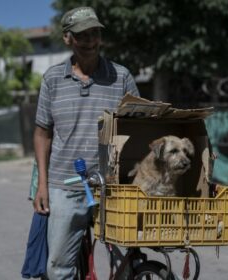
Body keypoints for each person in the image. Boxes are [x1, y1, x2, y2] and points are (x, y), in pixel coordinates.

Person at [32, 6, 140, 279]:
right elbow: (42, 133)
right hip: (64, 185)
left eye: (94, 34)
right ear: (68, 38)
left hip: (112, 186)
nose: (90, 41)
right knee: (58, 268)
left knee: (127, 260)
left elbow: (140, 126)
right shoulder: (53, 79)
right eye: (82, 35)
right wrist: (42, 185)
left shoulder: (121, 77)